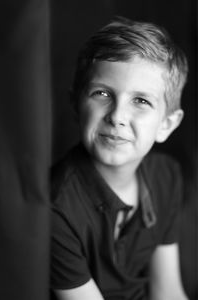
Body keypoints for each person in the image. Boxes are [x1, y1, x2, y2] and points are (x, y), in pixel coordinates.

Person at [50, 16, 189, 300]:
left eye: (141, 101)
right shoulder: (55, 208)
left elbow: (168, 292)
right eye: (102, 93)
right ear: (76, 105)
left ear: (167, 124)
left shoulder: (166, 176)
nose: (117, 116)